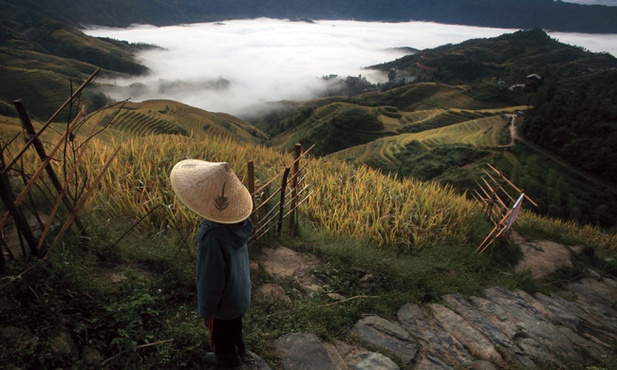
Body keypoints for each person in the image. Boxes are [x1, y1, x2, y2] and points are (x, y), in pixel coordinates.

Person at [170, 159, 254, 368]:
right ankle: (240, 348)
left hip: (223, 304)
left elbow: (210, 278)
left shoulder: (212, 237)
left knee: (219, 336)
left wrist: (206, 308)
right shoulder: (240, 226)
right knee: (235, 326)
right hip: (241, 295)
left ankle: (227, 359)